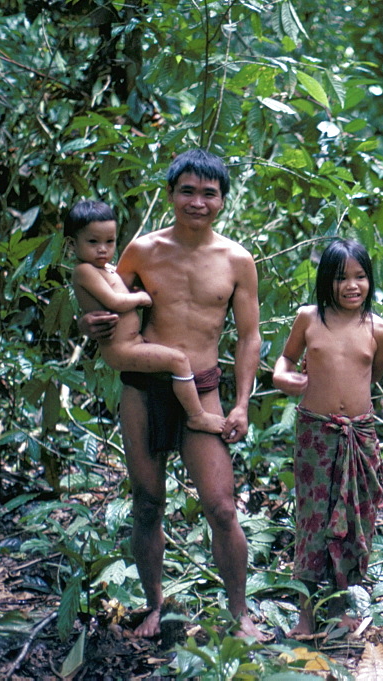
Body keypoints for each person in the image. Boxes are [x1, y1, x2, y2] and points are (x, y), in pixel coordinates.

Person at [77, 149, 263, 639]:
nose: (197, 202)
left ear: (223, 200)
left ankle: (240, 614)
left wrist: (242, 402)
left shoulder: (237, 260)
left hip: (202, 390)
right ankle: (156, 605)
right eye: (188, 191)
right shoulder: (141, 251)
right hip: (145, 388)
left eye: (209, 193)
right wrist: (87, 322)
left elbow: (249, 337)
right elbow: (100, 297)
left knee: (222, 507)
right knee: (146, 502)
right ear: (172, 194)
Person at [272, 238, 383, 637]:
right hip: (315, 433)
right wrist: (284, 377)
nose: (352, 286)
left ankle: (345, 601)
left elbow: (371, 376)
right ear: (327, 281)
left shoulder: (379, 328)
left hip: (359, 433)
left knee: (356, 518)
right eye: (342, 278)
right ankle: (305, 608)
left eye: (360, 277)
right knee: (313, 518)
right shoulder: (309, 318)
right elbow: (285, 361)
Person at [65, 200, 226, 435]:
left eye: (109, 241)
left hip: (133, 343)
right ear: (72, 244)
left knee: (172, 362)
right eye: (93, 242)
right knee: (178, 361)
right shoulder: (83, 271)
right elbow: (115, 302)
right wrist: (142, 298)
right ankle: (196, 416)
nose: (102, 249)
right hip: (122, 349)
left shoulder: (105, 268)